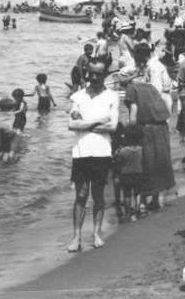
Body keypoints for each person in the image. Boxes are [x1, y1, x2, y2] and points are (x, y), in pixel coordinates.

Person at [66, 62, 119, 252]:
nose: (94, 77)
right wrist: (97, 121)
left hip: (102, 151)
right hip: (80, 151)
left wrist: (84, 124)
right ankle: (76, 236)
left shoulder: (112, 96)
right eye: (91, 74)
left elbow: (112, 127)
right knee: (80, 195)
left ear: (104, 75)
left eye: (98, 74)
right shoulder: (78, 96)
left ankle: (96, 233)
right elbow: (71, 125)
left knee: (97, 195)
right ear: (87, 74)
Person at [125, 44, 176, 211]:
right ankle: (156, 198)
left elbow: (149, 97)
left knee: (148, 162)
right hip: (161, 116)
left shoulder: (149, 72)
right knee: (160, 159)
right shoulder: (155, 67)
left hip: (152, 117)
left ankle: (145, 200)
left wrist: (129, 131)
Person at [113, 125, 144, 221]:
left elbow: (118, 164)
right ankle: (138, 208)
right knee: (138, 192)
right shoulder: (141, 149)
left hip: (126, 175)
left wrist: (117, 176)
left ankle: (127, 212)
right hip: (138, 173)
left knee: (127, 194)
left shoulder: (122, 151)